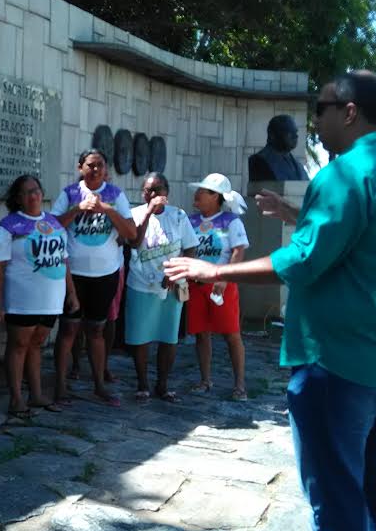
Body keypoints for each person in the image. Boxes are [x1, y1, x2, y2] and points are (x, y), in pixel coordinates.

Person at [165, 71, 376, 531]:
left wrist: (212, 270)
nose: (316, 120)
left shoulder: (345, 172)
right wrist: (299, 217)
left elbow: (304, 262)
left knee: (335, 491)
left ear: (351, 111)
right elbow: (368, 242)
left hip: (336, 358)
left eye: (323, 107)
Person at [50, 150, 136, 405]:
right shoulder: (69, 194)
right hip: (73, 274)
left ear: (106, 170)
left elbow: (131, 233)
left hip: (105, 274)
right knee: (68, 329)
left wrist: (107, 210)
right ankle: (60, 385)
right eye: (91, 165)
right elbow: (51, 227)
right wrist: (77, 209)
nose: (96, 169)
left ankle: (99, 384)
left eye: (100, 166)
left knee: (97, 330)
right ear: (80, 168)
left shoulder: (115, 195)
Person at [0, 175, 78, 417]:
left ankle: (36, 394)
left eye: (37, 190)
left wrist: (71, 293)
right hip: (21, 299)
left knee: (37, 345)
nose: (34, 195)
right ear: (18, 198)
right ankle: (16, 397)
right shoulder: (8, 226)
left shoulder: (55, 224)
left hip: (51, 298)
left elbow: (64, 260)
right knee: (18, 345)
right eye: (27, 192)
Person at [124, 172, 197, 403]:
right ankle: (142, 382)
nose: (152, 194)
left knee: (168, 336)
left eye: (157, 190)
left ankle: (162, 383)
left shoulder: (178, 216)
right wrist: (147, 212)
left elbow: (190, 247)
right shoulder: (135, 213)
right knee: (140, 335)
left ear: (167, 192)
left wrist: (177, 273)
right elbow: (135, 242)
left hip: (171, 284)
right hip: (141, 281)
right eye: (148, 190)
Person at [185, 173, 250, 401]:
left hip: (222, 286)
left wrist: (225, 278)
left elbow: (238, 250)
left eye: (202, 191)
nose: (197, 194)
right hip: (196, 286)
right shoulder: (191, 221)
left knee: (232, 334)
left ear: (215, 197)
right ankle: (205, 380)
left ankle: (239, 385)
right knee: (201, 335)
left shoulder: (231, 221)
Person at [248, 114, 309, 182]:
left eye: (296, 132)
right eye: (290, 131)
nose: (296, 135)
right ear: (273, 135)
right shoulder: (259, 161)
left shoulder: (298, 165)